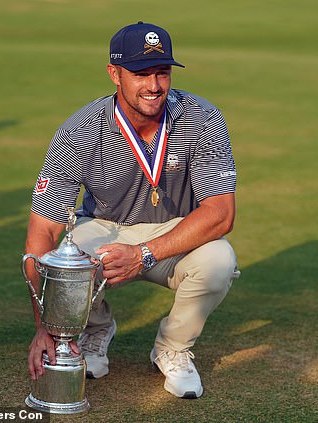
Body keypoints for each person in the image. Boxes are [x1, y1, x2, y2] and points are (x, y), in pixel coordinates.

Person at [24, 21, 238, 399]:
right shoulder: (81, 130)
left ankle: (173, 348)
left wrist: (143, 254)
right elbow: (41, 234)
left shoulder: (201, 118)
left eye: (162, 72)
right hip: (105, 228)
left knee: (219, 260)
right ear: (114, 74)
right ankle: (92, 330)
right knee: (61, 260)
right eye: (140, 74)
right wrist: (47, 327)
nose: (153, 86)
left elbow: (220, 214)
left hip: (173, 231)